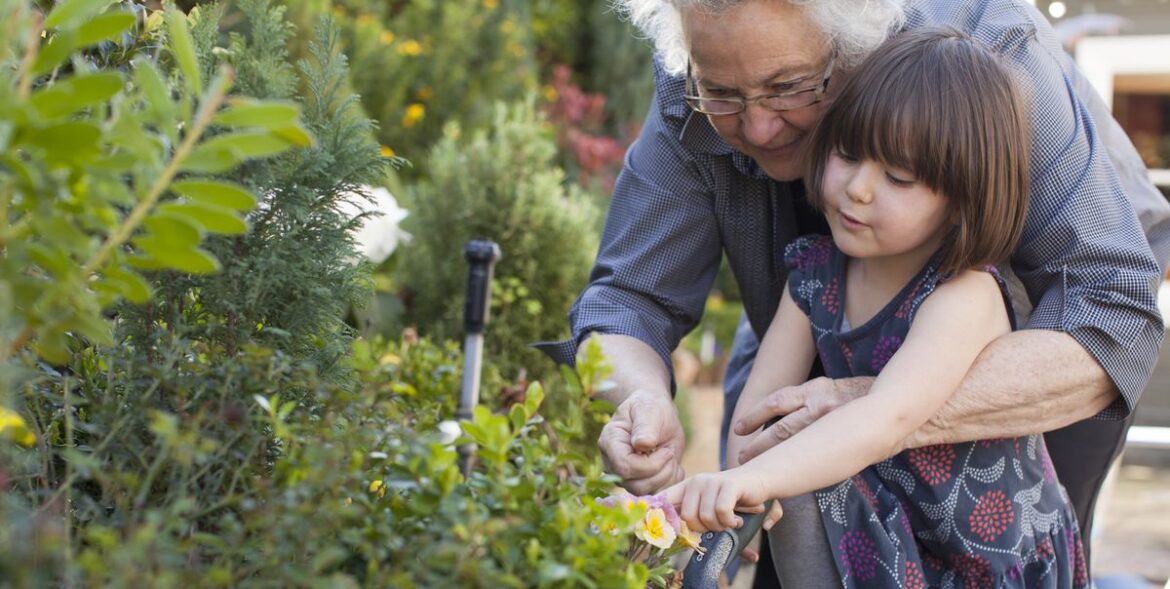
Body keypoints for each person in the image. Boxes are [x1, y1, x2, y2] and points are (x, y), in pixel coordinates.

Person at [537, 0, 1170, 583]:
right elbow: (629, 301)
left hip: (1039, 357)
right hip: (836, 312)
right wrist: (647, 406)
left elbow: (1107, 315)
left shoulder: (989, 48)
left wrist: (869, 403)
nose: (757, 128)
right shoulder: (699, 77)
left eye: (788, 86)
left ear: (853, 46)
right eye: (725, 94)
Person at [664, 26, 1088, 587]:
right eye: (847, 154)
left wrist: (759, 480)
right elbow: (758, 412)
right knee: (795, 484)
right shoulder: (813, 275)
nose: (858, 189)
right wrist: (734, 483)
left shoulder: (961, 294)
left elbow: (886, 417)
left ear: (962, 201)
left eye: (898, 176)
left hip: (990, 560)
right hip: (894, 536)